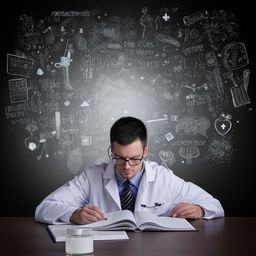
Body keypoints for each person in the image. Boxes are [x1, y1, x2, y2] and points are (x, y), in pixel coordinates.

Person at [35, 116, 224, 224]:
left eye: (134, 159)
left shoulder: (163, 177)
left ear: (146, 151)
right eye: (118, 157)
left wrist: (199, 209)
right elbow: (44, 208)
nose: (126, 166)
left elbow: (215, 205)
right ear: (111, 150)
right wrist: (74, 214)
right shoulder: (91, 176)